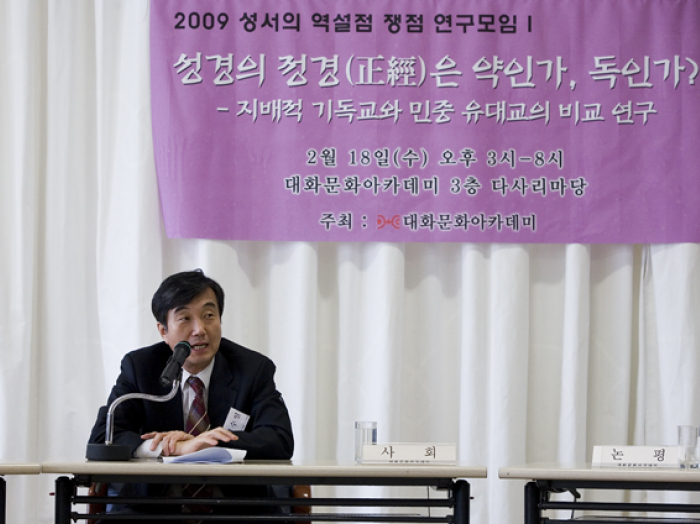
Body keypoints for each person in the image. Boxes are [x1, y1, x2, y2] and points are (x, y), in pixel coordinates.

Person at [88, 269, 294, 519]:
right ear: (163, 331)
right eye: (185, 318)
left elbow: (279, 439)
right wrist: (174, 449)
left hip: (238, 512)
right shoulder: (141, 367)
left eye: (209, 316)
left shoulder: (252, 369)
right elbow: (104, 437)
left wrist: (206, 444)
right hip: (151, 511)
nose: (199, 330)